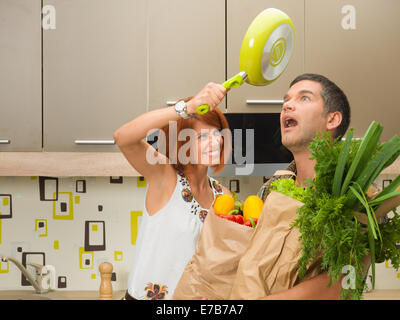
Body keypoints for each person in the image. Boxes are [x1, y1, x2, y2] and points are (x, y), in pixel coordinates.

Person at [256, 73, 371, 299]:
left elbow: (349, 277)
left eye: (304, 98)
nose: (287, 105)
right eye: (285, 101)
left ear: (332, 120)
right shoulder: (270, 189)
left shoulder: (357, 192)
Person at [113, 83, 232, 300]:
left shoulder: (224, 197)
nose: (215, 142)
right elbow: (123, 137)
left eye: (216, 134)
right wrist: (187, 107)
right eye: (203, 137)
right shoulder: (165, 178)